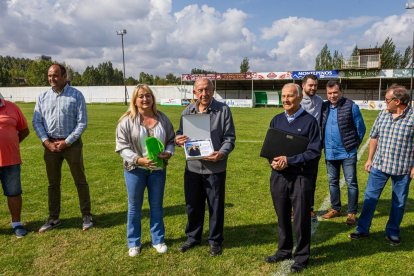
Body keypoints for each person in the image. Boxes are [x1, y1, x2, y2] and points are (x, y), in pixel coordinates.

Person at [175, 78, 236, 256]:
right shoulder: (187, 111)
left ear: (213, 90)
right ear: (194, 92)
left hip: (215, 168)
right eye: (200, 90)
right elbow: (180, 133)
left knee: (215, 206)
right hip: (193, 167)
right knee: (193, 205)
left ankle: (215, 240)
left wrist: (222, 153)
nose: (204, 94)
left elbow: (230, 138)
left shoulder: (223, 110)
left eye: (207, 90)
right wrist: (178, 139)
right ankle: (193, 237)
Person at [264, 83, 321, 273]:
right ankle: (284, 250)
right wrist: (273, 162)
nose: (286, 100)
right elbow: (269, 148)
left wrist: (290, 161)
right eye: (283, 96)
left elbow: (314, 152)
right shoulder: (276, 120)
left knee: (301, 218)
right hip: (278, 176)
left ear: (299, 98)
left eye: (290, 96)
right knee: (282, 216)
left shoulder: (310, 122)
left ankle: (302, 257)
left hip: (300, 177)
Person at [349, 84, 414, 246]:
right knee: (370, 198)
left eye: (387, 100)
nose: (385, 103)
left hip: (402, 169)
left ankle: (392, 232)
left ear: (397, 101)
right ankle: (362, 229)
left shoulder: (413, 118)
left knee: (398, 202)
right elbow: (374, 137)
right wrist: (370, 159)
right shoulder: (383, 114)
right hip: (379, 166)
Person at [115, 84, 175, 257]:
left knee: (157, 206)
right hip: (135, 170)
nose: (145, 99)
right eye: (141, 96)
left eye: (148, 95)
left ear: (152, 98)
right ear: (135, 99)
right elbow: (122, 147)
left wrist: (168, 153)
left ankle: (158, 240)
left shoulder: (162, 118)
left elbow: (171, 139)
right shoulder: (126, 120)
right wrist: (138, 160)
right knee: (134, 207)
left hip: (157, 170)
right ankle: (134, 242)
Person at [32, 63, 93, 232]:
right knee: (53, 184)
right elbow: (36, 121)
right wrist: (46, 142)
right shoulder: (42, 97)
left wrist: (67, 141)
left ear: (64, 76)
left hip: (71, 145)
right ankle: (53, 218)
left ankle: (86, 215)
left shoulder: (76, 95)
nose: (52, 78)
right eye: (50, 75)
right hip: (50, 146)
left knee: (80, 181)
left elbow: (82, 122)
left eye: (56, 75)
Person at [321, 80, 366, 225]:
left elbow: (361, 129)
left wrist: (353, 146)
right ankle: (335, 208)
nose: (332, 95)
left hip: (347, 153)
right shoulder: (324, 106)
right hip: (330, 153)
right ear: (326, 93)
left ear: (341, 92)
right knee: (332, 182)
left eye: (335, 92)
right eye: (330, 93)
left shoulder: (351, 106)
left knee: (351, 182)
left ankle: (352, 212)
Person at [0, 98, 30, 238]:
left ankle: (16, 223)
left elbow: (24, 130)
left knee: (14, 192)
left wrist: (10, 143)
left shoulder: (12, 107)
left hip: (11, 160)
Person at [300, 74, 323, 220]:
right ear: (303, 86)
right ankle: (293, 208)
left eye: (315, 85)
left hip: (315, 146)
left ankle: (309, 208)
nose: (313, 88)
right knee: (296, 178)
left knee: (311, 178)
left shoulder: (320, 100)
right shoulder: (297, 100)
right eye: (310, 85)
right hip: (299, 145)